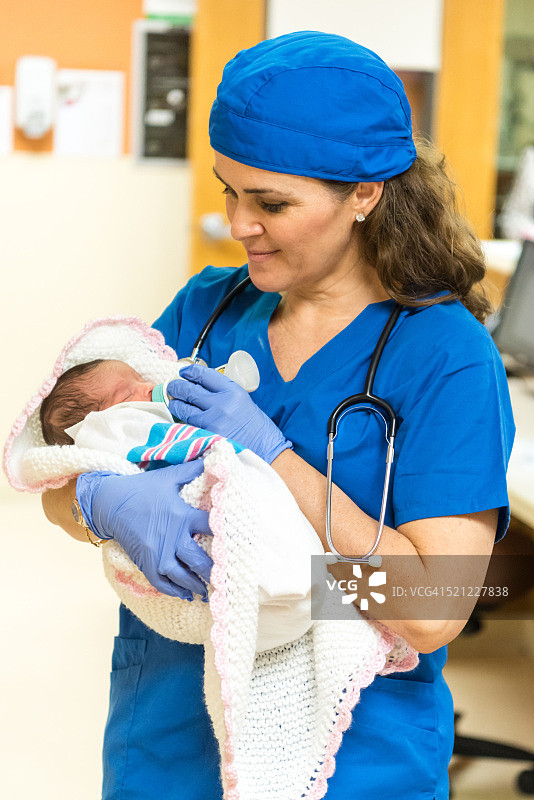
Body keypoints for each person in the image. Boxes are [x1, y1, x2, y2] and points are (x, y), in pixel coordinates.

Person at [41, 31, 515, 800]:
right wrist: (100, 501)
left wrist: (272, 504)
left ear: (367, 193)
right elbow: (64, 477)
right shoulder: (207, 307)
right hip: (164, 745)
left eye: (271, 203)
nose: (237, 224)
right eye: (230, 190)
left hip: (356, 762)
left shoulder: (444, 355)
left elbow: (436, 609)